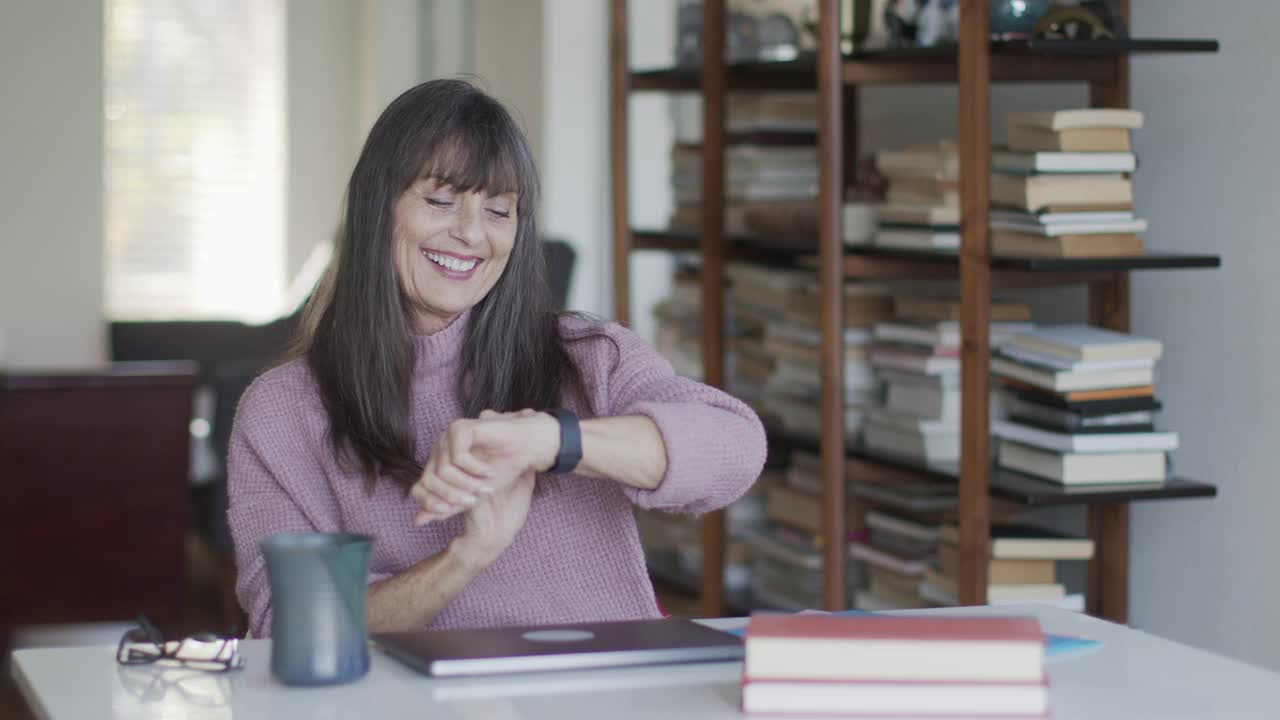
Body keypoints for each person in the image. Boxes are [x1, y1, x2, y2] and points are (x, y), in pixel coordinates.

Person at [227, 79, 767, 638]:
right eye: (440, 201)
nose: (470, 233)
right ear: (375, 208)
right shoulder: (283, 411)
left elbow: (736, 449)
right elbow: (289, 631)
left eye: (498, 210)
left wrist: (548, 441)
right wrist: (467, 555)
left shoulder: (586, 356)